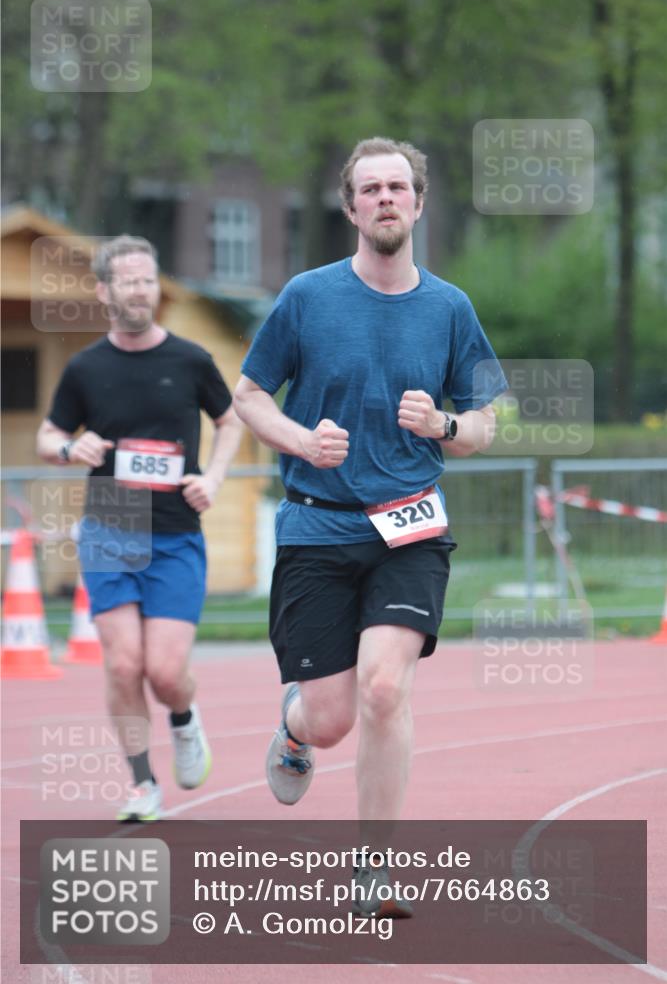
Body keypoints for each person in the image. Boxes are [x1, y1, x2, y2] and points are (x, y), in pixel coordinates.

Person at [233, 136, 508, 916]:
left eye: (398, 187)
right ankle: (292, 730)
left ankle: (373, 870)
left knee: (386, 691)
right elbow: (248, 394)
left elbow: (486, 421)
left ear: (418, 203)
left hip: (409, 528)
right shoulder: (306, 297)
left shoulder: (449, 308)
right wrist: (297, 439)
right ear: (351, 207)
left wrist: (445, 426)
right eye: (370, 189)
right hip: (317, 528)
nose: (385, 198)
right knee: (330, 719)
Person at [37, 235, 244, 821]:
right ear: (104, 291)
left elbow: (230, 423)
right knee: (123, 664)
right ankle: (140, 784)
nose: (140, 290)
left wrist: (216, 478)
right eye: (128, 281)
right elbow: (47, 436)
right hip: (110, 528)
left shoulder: (191, 360)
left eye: (148, 280)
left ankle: (183, 716)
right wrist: (72, 446)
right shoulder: (85, 368)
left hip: (176, 532)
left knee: (166, 671)